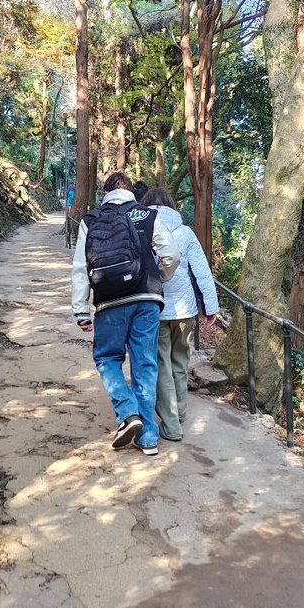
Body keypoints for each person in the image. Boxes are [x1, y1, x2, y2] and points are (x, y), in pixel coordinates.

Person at [72, 172, 180, 456]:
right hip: (147, 299)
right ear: (131, 191)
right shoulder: (148, 215)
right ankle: (148, 437)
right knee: (145, 364)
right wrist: (160, 278)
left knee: (107, 358)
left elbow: (81, 268)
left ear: (104, 192)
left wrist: (81, 309)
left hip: (109, 301)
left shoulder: (91, 220)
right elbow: (171, 255)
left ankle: (128, 411)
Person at [140, 187, 219, 442]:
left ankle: (172, 425)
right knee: (180, 362)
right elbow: (202, 272)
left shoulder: (142, 227)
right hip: (186, 312)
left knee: (161, 364)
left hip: (156, 307)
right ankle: (181, 412)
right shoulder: (185, 233)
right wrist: (211, 308)